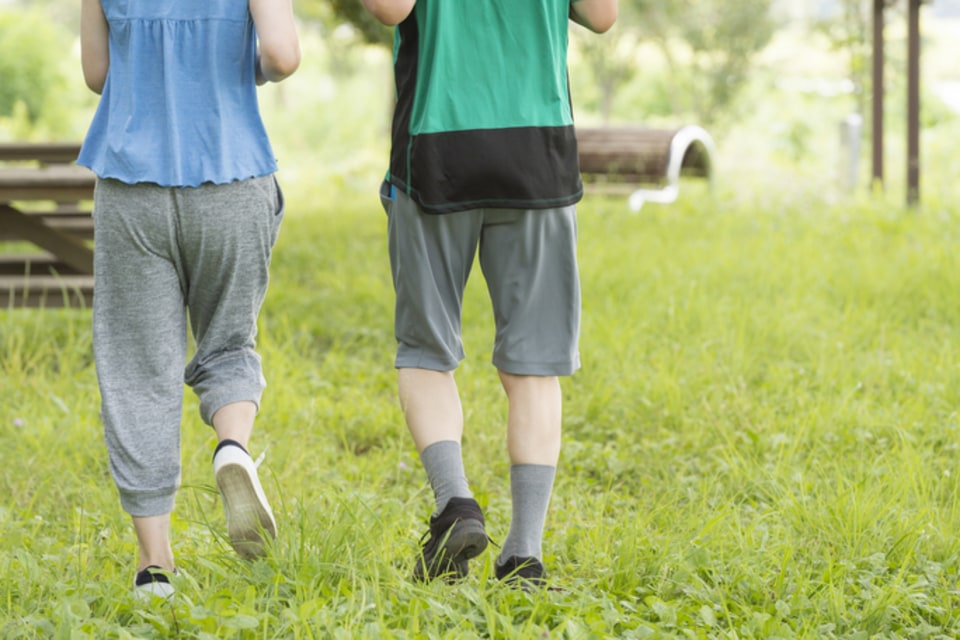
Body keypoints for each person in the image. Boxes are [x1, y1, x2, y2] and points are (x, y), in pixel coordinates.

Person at [360, 0, 618, 587]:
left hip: (437, 152)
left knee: (427, 350)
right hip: (538, 152)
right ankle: (523, 554)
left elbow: (386, 9)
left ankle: (456, 506)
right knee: (534, 365)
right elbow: (602, 15)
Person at [78, 0, 300, 599]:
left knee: (137, 369)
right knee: (228, 341)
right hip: (230, 175)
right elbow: (282, 55)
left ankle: (155, 567)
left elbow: (98, 74)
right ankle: (232, 448)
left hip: (131, 189)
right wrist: (234, 60)